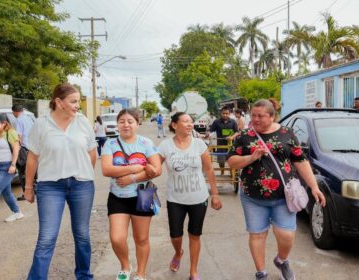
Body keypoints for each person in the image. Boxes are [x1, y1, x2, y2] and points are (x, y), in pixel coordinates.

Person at [227, 99, 326, 280]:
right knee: (257, 235)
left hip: (284, 196)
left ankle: (281, 260)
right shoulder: (244, 136)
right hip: (252, 197)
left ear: (272, 116)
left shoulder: (287, 133)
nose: (255, 119)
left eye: (260, 116)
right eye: (253, 115)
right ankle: (261, 273)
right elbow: (231, 161)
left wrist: (314, 187)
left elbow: (301, 161)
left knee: (286, 235)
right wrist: (251, 157)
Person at [25, 83, 97, 279]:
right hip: (50, 187)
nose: (77, 105)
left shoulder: (82, 122)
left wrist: (86, 173)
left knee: (82, 235)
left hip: (81, 185)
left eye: (78, 101)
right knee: (47, 238)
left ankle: (84, 276)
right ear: (59, 102)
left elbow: (92, 153)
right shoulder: (41, 124)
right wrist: (28, 187)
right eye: (73, 101)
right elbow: (33, 157)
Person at [158, 112, 222, 280]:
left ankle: (193, 272)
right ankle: (178, 253)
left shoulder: (199, 144)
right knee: (175, 235)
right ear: (174, 125)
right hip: (175, 199)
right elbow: (154, 167)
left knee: (195, 235)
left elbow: (208, 169)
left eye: (191, 122)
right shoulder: (165, 146)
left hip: (199, 198)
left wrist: (214, 194)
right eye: (185, 121)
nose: (189, 124)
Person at [101, 108, 162, 280]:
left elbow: (157, 170)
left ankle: (141, 274)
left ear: (137, 124)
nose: (126, 125)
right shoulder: (110, 144)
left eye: (130, 121)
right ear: (118, 124)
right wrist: (133, 168)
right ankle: (125, 266)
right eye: (122, 121)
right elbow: (106, 169)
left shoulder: (145, 143)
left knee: (141, 239)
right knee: (116, 238)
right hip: (117, 198)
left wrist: (132, 178)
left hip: (142, 196)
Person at [12, 104, 34, 201]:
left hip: (24, 149)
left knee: (22, 172)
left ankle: (26, 194)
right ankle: (34, 190)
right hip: (32, 148)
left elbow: (19, 137)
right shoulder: (29, 118)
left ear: (14, 112)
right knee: (32, 170)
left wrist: (16, 147)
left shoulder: (18, 120)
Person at [207, 106, 238, 175]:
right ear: (221, 113)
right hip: (220, 145)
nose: (225, 115)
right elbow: (211, 130)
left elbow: (237, 132)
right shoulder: (216, 122)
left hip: (230, 145)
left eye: (226, 113)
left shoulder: (233, 122)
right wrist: (208, 134)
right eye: (223, 113)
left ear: (229, 113)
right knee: (221, 161)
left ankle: (231, 174)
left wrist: (232, 137)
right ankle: (222, 172)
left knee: (231, 160)